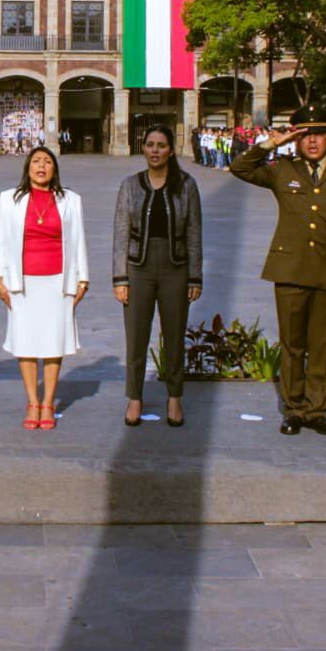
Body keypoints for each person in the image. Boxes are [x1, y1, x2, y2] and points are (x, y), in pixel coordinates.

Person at [230, 106, 326, 437]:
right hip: (289, 269)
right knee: (292, 345)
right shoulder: (283, 170)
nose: (313, 141)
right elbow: (240, 167)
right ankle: (293, 409)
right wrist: (273, 143)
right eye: (305, 135)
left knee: (321, 345)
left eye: (319, 134)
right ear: (296, 139)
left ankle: (316, 411)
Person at [0, 146, 88, 431]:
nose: (41, 166)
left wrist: (82, 278)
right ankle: (32, 401)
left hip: (58, 280)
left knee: (54, 342)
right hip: (22, 281)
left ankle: (48, 402)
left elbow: (79, 239)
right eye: (36, 161)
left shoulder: (71, 200)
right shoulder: (9, 199)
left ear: (55, 168)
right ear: (27, 167)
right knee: (26, 342)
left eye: (47, 162)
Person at [113, 125, 203, 428]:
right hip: (139, 266)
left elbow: (194, 232)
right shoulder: (130, 185)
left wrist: (195, 276)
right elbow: (121, 233)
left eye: (161, 145)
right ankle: (135, 397)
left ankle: (174, 396)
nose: (155, 150)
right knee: (136, 335)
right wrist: (120, 278)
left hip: (175, 266)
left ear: (171, 150)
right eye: (150, 144)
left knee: (174, 335)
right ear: (143, 148)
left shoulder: (186, 185)